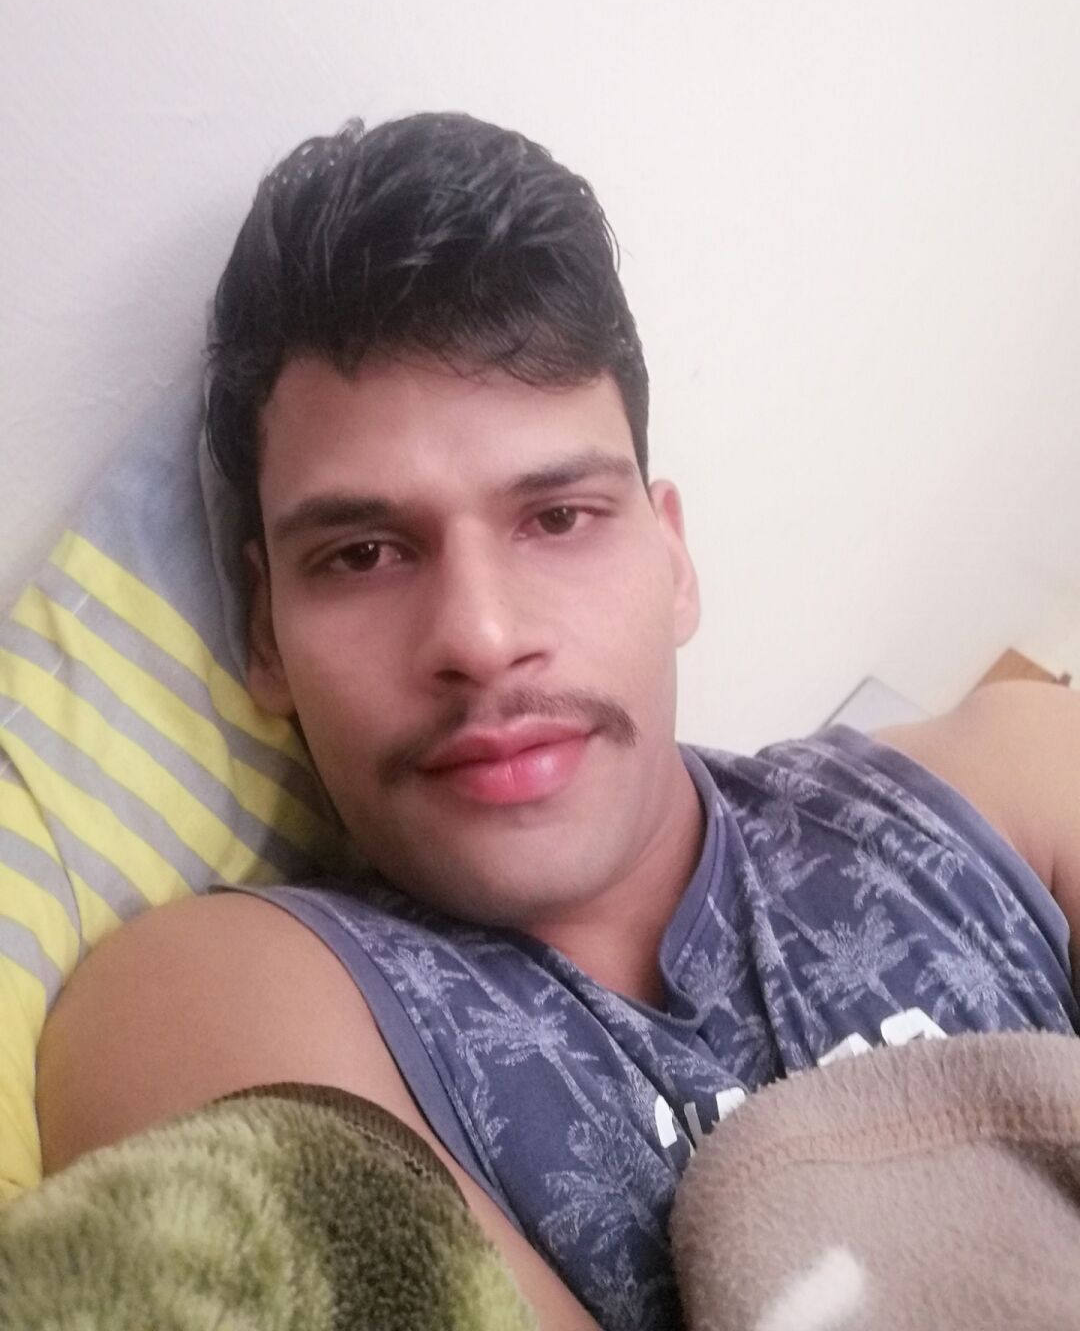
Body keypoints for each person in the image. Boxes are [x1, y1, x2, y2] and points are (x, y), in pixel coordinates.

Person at [35, 112, 1080, 1331]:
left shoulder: (1013, 775)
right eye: (363, 552)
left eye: (558, 518)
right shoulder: (215, 999)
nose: (479, 636)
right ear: (265, 634)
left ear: (672, 558)